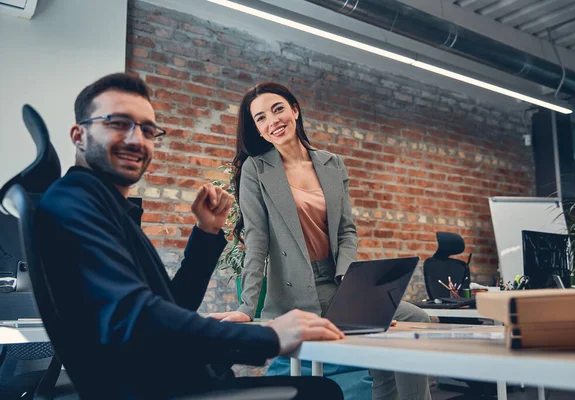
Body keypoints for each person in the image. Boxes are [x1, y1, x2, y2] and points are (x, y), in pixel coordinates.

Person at [35, 73, 345, 400]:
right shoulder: (74, 202)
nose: (136, 139)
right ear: (78, 135)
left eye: (147, 129)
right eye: (117, 123)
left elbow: (170, 304)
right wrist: (268, 336)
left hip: (168, 382)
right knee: (320, 392)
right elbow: (137, 318)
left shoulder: (105, 206)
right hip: (152, 391)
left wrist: (207, 231)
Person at [209, 82, 431, 400]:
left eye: (277, 109)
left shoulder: (331, 163)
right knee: (385, 330)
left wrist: (353, 289)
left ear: (295, 110)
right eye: (260, 118)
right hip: (294, 291)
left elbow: (346, 232)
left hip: (336, 284)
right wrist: (247, 307)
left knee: (415, 319)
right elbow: (256, 239)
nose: (272, 121)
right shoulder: (255, 170)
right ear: (257, 130)